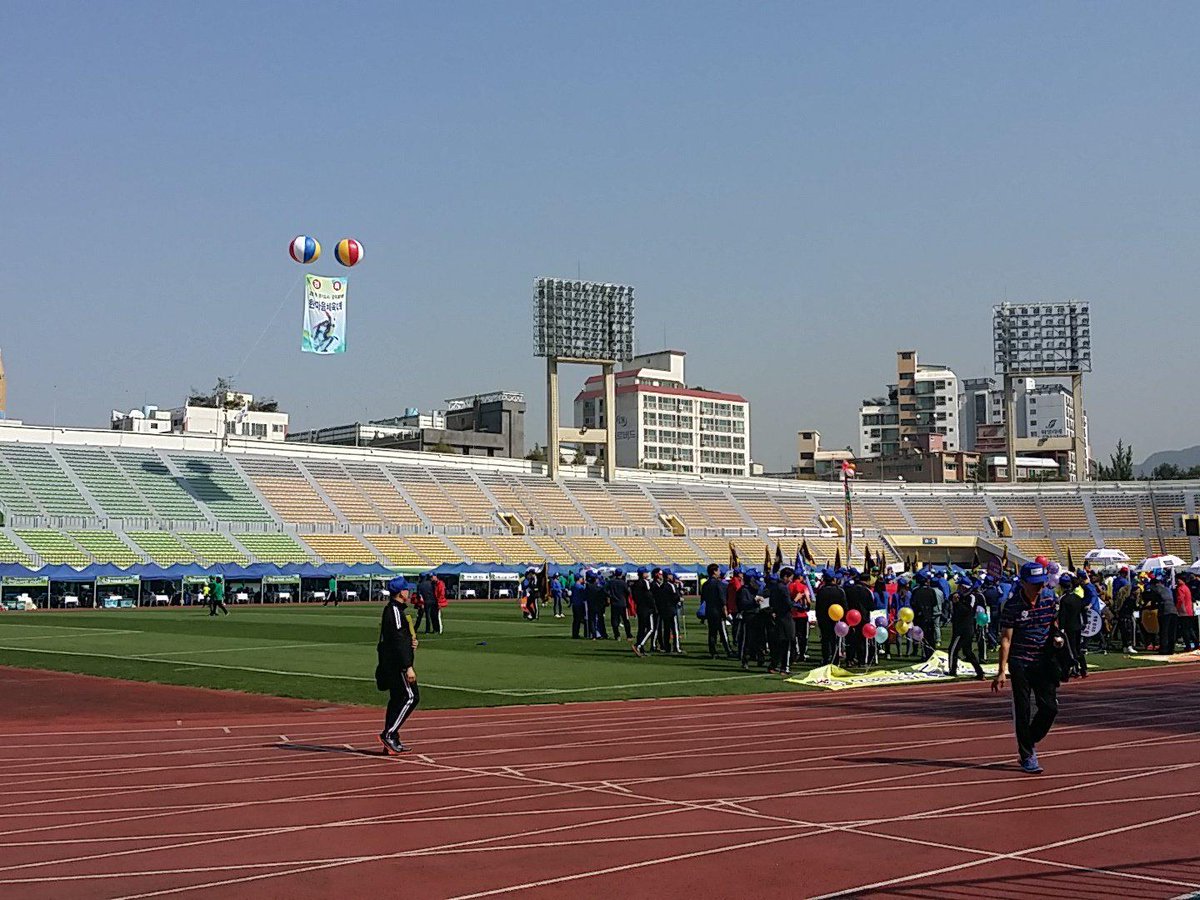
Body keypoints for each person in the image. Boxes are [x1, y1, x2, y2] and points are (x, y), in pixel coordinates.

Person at [993, 561, 1064, 775]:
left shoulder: (1050, 599)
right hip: (1020, 662)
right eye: (1034, 584)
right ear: (1023, 583)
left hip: (1043, 662)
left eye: (1042, 583)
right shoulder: (1013, 606)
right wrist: (1001, 670)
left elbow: (1054, 625)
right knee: (1023, 710)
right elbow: (1006, 639)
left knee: (1050, 707)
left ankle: (1029, 739)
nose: (1039, 588)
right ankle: (1027, 755)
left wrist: (1057, 638)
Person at [376, 576, 419, 754]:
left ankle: (391, 738)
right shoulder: (394, 611)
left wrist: (411, 643)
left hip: (392, 663)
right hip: (397, 665)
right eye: (406, 589)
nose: (409, 592)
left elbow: (399, 638)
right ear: (401, 592)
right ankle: (390, 733)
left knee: (397, 699)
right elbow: (397, 640)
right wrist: (408, 665)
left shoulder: (395, 610)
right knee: (411, 697)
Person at [947, 580, 985, 679]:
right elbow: (950, 597)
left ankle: (952, 670)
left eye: (960, 586)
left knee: (953, 649)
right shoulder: (960, 595)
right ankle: (980, 672)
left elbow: (967, 610)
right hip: (960, 626)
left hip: (964, 628)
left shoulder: (971, 597)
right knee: (967, 652)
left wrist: (958, 602)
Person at [767, 568, 796, 675]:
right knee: (787, 643)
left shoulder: (774, 587)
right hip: (786, 618)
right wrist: (796, 600)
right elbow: (789, 604)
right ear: (785, 577)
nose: (790, 581)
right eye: (790, 578)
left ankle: (773, 665)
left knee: (779, 644)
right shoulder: (784, 588)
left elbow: (771, 602)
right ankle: (785, 667)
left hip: (778, 617)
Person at [1057, 573, 1086, 677]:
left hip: (1069, 627)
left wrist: (1061, 628)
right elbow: (1083, 611)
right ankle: (1083, 667)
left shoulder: (1064, 599)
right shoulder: (1077, 597)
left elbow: (1062, 615)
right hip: (1078, 625)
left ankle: (1075, 668)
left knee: (1071, 649)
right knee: (1078, 648)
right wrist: (1085, 623)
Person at [814, 568, 845, 665]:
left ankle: (825, 658)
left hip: (823, 619)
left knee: (825, 640)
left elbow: (817, 607)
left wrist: (818, 618)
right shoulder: (839, 591)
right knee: (835, 640)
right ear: (834, 579)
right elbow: (844, 606)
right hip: (836, 619)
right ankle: (835, 659)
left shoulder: (821, 591)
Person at [701, 564, 733, 658]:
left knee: (712, 633)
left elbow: (703, 598)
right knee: (723, 632)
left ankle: (713, 652)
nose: (719, 572)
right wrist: (725, 610)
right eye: (718, 570)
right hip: (718, 611)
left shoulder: (705, 584)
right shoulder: (718, 584)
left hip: (709, 610)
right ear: (714, 571)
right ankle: (728, 650)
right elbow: (722, 598)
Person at [843, 570, 873, 666]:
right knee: (862, 641)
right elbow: (871, 606)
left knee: (850, 639)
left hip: (850, 618)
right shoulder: (867, 591)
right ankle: (861, 661)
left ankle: (849, 660)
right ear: (867, 580)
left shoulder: (849, 590)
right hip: (863, 619)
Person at [909, 573, 939, 661]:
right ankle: (931, 653)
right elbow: (934, 603)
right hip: (929, 615)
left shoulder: (916, 591)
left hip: (919, 616)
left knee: (921, 636)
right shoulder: (931, 590)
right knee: (930, 636)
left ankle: (924, 654)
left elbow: (913, 603)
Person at [652, 568, 680, 653]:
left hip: (663, 610)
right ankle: (676, 647)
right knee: (675, 630)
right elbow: (676, 597)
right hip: (671, 609)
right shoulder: (671, 585)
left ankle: (667, 647)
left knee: (666, 630)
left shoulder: (660, 586)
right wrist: (680, 598)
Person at [631, 568, 657, 656]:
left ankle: (641, 649)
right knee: (651, 629)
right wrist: (653, 606)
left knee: (641, 629)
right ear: (643, 574)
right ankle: (638, 645)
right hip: (647, 608)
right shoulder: (645, 582)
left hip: (640, 607)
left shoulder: (635, 584)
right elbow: (649, 595)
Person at [1112, 566, 1136, 654]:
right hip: (1124, 605)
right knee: (1128, 627)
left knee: (1122, 627)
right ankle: (1128, 645)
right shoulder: (1124, 582)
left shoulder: (1116, 580)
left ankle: (1125, 645)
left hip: (1118, 605)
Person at [789, 570, 812, 662]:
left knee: (793, 636)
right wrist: (808, 607)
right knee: (803, 636)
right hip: (802, 614)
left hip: (792, 614)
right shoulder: (803, 586)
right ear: (800, 577)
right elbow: (808, 600)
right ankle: (802, 654)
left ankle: (793, 654)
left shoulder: (789, 586)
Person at [607, 570, 632, 640]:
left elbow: (605, 590)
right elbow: (628, 592)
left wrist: (610, 595)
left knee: (614, 620)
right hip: (623, 603)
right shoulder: (623, 583)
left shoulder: (611, 582)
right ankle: (628, 635)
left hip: (614, 603)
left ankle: (617, 635)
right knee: (625, 620)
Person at [570, 574, 588, 639]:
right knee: (581, 619)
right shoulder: (580, 587)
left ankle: (575, 633)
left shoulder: (573, 586)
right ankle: (584, 633)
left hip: (575, 604)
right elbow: (584, 595)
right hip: (579, 604)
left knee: (576, 620)